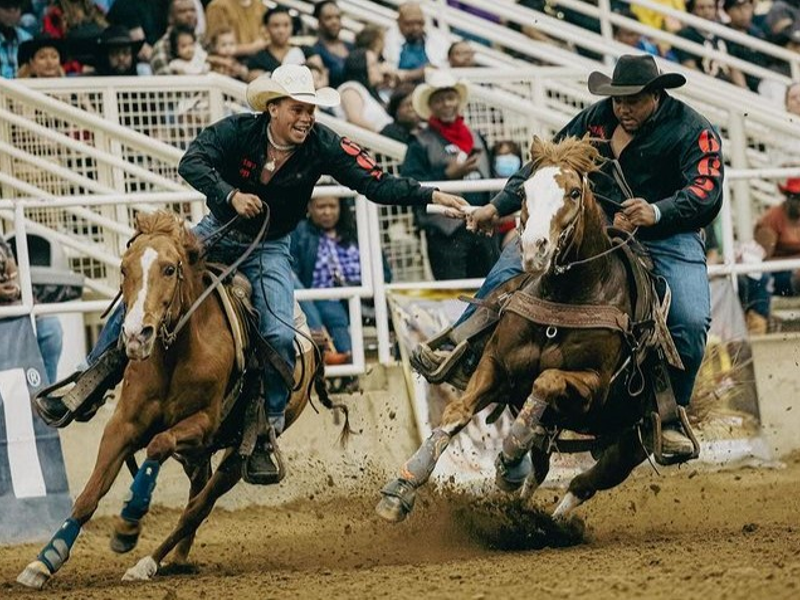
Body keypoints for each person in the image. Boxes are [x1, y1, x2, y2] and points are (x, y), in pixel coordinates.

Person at [40, 64, 467, 481]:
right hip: (213, 232)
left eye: (310, 110)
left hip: (269, 248)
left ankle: (266, 428)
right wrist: (230, 195)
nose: (305, 118)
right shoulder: (238, 131)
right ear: (274, 109)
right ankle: (89, 380)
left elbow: (376, 183)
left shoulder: (322, 144)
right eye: (297, 109)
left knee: (281, 334)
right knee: (146, 289)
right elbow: (192, 161)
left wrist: (431, 195)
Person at [418, 55, 724, 459]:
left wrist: (657, 211)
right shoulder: (595, 120)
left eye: (632, 100)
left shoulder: (692, 130)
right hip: (593, 225)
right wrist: (498, 206)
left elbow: (707, 190)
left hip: (668, 235)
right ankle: (462, 346)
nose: (623, 109)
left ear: (656, 95)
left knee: (688, 318)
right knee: (514, 261)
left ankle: (668, 415)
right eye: (617, 100)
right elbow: (543, 168)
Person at [401, 70, 500, 280]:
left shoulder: (476, 136)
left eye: (450, 97)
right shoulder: (419, 142)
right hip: (446, 232)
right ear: (431, 106)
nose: (446, 104)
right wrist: (447, 174)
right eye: (439, 100)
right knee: (453, 298)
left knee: (490, 292)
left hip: (483, 227)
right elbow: (410, 186)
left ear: (458, 100)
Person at [739, 177, 800, 333]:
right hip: (778, 275)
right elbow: (760, 257)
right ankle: (759, 325)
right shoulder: (772, 218)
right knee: (760, 277)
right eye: (794, 197)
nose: (797, 202)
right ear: (787, 197)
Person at [245, 6, 322, 81]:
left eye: (286, 25)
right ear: (266, 28)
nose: (281, 30)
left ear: (292, 27)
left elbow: (320, 75)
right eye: (276, 25)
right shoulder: (258, 58)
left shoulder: (306, 51)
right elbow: (254, 79)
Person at [383, 2, 449, 84]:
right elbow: (389, 75)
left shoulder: (438, 39)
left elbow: (444, 67)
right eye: (409, 24)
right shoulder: (386, 40)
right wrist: (419, 73)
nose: (415, 28)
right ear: (399, 22)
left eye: (420, 23)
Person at [335, 48, 393, 133]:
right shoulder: (351, 89)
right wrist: (382, 135)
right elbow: (355, 120)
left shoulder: (371, 92)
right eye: (374, 64)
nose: (379, 67)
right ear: (361, 69)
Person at [149, 0, 199, 76]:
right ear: (170, 18)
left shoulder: (201, 41)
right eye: (182, 11)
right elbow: (167, 82)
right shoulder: (161, 46)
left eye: (192, 10)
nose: (189, 14)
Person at [311, 0, 352, 88]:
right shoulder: (316, 51)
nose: (334, 22)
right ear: (319, 22)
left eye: (337, 17)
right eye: (328, 18)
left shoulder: (351, 46)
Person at [0, 0, 32, 79]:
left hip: (23, 87)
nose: (12, 12)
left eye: (16, 8)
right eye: (6, 8)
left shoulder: (27, 39)